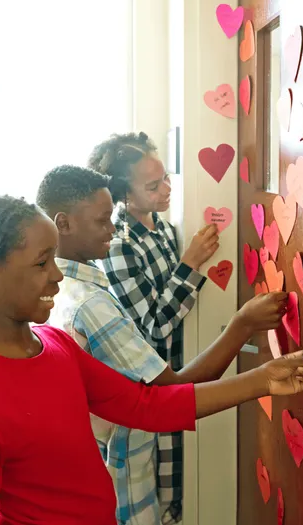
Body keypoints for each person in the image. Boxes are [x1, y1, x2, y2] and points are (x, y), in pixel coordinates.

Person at [0, 194, 303, 525]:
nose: (55, 275)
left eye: (53, 259)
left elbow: (146, 406)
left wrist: (263, 380)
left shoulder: (56, 345)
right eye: (40, 264)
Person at [37, 165, 288, 525]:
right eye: (102, 220)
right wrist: (242, 326)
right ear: (64, 223)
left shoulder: (60, 292)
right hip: (122, 489)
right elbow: (172, 391)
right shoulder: (90, 305)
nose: (112, 228)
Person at [87, 132, 219, 523]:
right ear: (124, 195)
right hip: (152, 382)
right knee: (157, 496)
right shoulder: (119, 244)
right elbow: (155, 327)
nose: (167, 187)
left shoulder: (162, 227)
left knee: (177, 485)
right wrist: (190, 263)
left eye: (165, 177)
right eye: (153, 185)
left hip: (179, 372)